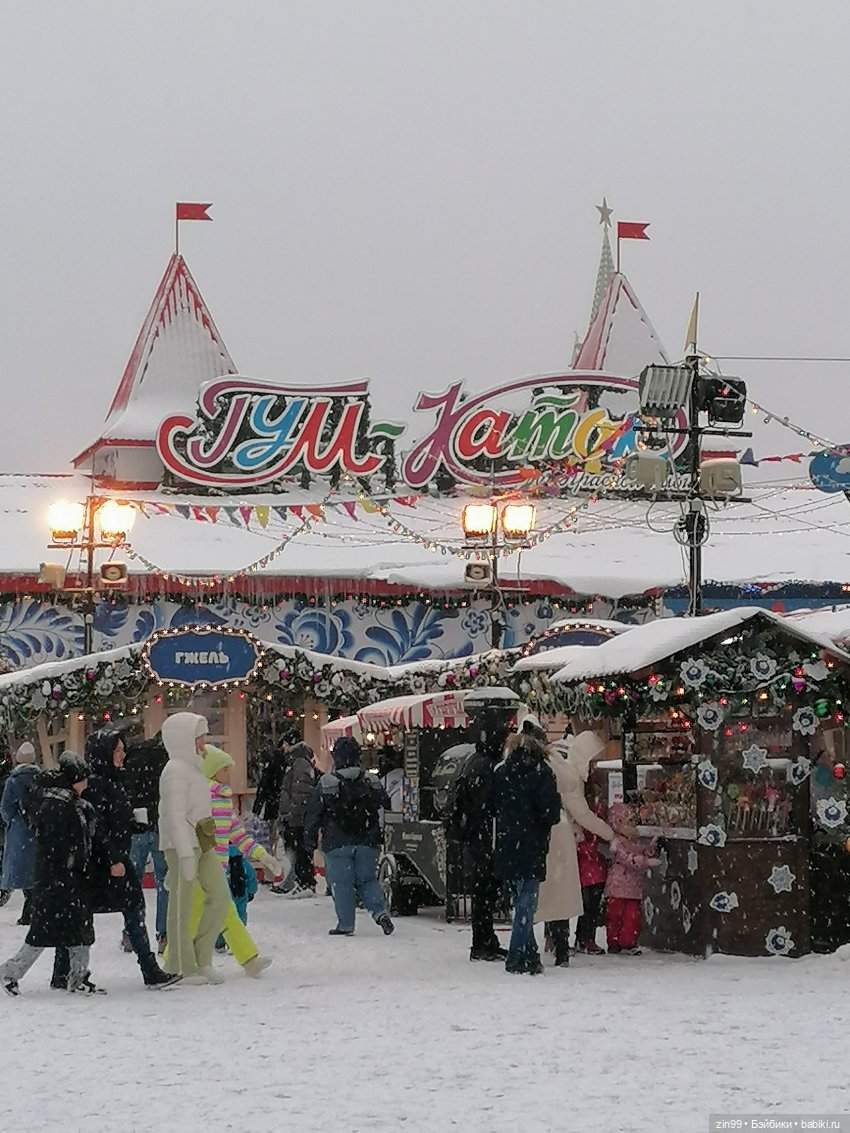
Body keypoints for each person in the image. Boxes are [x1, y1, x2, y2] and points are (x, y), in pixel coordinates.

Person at [52, 729, 179, 991]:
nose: (122, 755)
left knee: (97, 913)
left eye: (122, 749)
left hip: (109, 859)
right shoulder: (98, 784)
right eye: (117, 750)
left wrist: (133, 825)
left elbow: (112, 820)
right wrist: (112, 858)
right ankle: (148, 970)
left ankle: (63, 972)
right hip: (102, 863)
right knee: (99, 913)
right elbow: (96, 827)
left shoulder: (113, 779)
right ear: (104, 754)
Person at [1, 752, 103, 996]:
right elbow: (57, 845)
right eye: (83, 779)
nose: (86, 784)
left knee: (76, 929)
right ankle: (10, 972)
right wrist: (71, 863)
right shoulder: (59, 805)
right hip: (58, 879)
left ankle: (77, 975)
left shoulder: (64, 801)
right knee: (45, 933)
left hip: (64, 878)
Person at [158, 712, 231, 983]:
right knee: (181, 903)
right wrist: (185, 851)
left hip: (201, 837)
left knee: (220, 895)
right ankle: (180, 964)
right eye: (199, 736)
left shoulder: (194, 765)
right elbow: (174, 814)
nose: (204, 741)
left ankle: (202, 957)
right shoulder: (175, 769)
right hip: (180, 845)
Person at [197, 744, 282, 977]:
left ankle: (248, 959)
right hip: (202, 869)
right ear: (213, 771)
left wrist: (262, 856)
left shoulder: (223, 800)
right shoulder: (204, 798)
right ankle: (174, 963)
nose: (229, 774)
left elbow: (238, 835)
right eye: (225, 769)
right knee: (194, 918)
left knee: (226, 914)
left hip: (217, 869)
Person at [536, 729, 615, 966]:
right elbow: (582, 814)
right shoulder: (571, 778)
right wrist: (610, 834)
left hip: (562, 843)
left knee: (559, 895)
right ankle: (562, 943)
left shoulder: (570, 773)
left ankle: (557, 939)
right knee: (565, 895)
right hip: (564, 844)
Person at [304, 736, 394, 937]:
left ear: (336, 757)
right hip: (367, 840)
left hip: (337, 842)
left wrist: (309, 840)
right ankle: (380, 913)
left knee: (341, 884)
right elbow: (386, 803)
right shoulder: (371, 781)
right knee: (368, 880)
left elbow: (313, 814)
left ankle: (346, 924)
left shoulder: (327, 783)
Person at [492, 720, 561, 975]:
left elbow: (493, 805)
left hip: (507, 843)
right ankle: (515, 958)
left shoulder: (502, 770)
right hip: (532, 844)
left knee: (519, 903)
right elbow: (550, 813)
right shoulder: (542, 772)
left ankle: (530, 956)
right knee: (526, 905)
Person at [444, 707, 512, 962]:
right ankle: (483, 943)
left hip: (475, 838)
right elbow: (488, 806)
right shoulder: (487, 766)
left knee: (482, 893)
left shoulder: (473, 761)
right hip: (484, 839)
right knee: (485, 894)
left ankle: (484, 941)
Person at [124, 732, 169, 953]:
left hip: (137, 825)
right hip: (161, 824)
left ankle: (132, 932)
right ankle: (164, 934)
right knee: (164, 881)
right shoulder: (168, 760)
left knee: (134, 881)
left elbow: (126, 792)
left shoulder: (132, 757)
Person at [605, 802, 661, 955]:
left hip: (633, 886)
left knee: (632, 916)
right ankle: (614, 942)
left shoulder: (633, 840)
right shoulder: (616, 842)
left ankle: (627, 943)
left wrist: (650, 848)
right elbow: (628, 858)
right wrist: (646, 862)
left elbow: (639, 852)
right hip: (618, 887)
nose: (633, 825)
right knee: (615, 916)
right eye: (629, 821)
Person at [0, 742, 41, 925]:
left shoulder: (14, 780)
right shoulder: (41, 778)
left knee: (21, 870)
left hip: (19, 832)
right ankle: (33, 907)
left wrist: (14, 821)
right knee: (35, 869)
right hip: (38, 830)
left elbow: (6, 810)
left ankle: (29, 910)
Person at [277, 737, 318, 895]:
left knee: (299, 850)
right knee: (299, 851)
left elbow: (300, 792)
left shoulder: (299, 763)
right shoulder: (298, 762)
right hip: (298, 818)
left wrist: (292, 815)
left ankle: (305, 882)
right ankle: (302, 881)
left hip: (297, 819)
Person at [253, 730, 299, 856]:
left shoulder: (277, 761)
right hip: (283, 805)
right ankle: (275, 855)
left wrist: (258, 804)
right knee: (277, 834)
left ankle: (273, 855)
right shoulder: (287, 761)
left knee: (273, 834)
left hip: (275, 803)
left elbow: (264, 783)